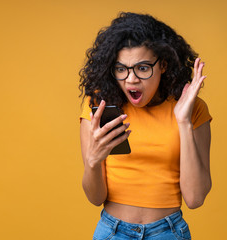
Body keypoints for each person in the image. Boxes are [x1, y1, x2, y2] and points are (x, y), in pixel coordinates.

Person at [79, 12, 212, 240]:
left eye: (142, 68)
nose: (131, 79)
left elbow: (195, 198)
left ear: (163, 65)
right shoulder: (100, 106)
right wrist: (93, 162)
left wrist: (183, 122)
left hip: (168, 233)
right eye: (121, 69)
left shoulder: (191, 108)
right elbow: (95, 198)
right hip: (112, 233)